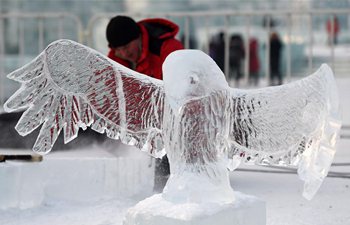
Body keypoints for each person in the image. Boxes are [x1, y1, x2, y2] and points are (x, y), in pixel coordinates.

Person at [106, 15, 184, 192]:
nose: (124, 53)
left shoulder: (167, 48)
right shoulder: (114, 60)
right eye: (119, 49)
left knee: (165, 140)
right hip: (139, 121)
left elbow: (181, 93)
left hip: (172, 118)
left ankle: (164, 185)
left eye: (126, 47)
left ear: (139, 38)